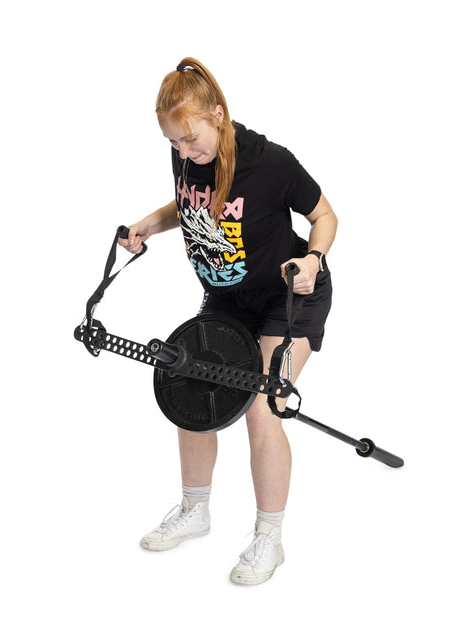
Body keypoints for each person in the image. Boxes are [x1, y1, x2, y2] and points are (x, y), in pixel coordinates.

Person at [119, 58, 337, 585]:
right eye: (174, 144)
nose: (183, 152)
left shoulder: (270, 161)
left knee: (263, 407)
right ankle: (195, 510)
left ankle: (269, 537)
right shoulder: (190, 154)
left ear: (218, 115)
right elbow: (191, 205)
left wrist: (312, 259)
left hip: (286, 299)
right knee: (188, 382)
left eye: (191, 140)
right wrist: (151, 222)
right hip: (225, 299)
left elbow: (325, 216)